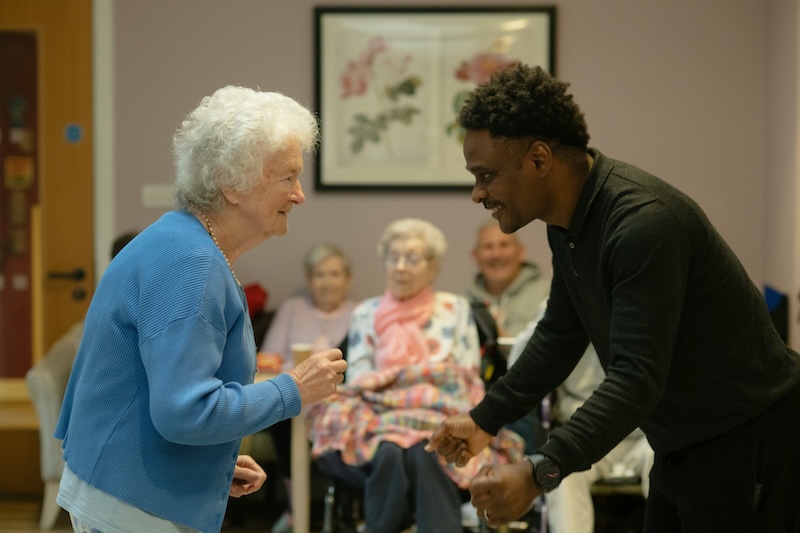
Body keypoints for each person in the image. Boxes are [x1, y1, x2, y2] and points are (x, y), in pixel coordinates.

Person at [426, 64, 800, 531]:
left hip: (746, 440)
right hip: (682, 443)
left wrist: (540, 471)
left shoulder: (643, 224)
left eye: (486, 175)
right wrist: (484, 419)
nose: (477, 192)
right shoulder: (569, 225)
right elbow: (560, 334)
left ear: (539, 160)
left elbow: (635, 380)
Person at [54, 86, 347, 533]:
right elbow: (185, 412)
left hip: (121, 483)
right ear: (232, 184)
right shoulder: (192, 263)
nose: (299, 195)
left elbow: (159, 392)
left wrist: (209, 460)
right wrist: (295, 389)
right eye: (287, 178)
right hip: (129, 501)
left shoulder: (181, 241)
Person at [307, 218, 524, 533]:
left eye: (412, 259)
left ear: (432, 267)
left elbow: (464, 376)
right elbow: (360, 381)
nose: (400, 267)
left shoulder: (455, 308)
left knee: (416, 450)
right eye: (393, 258)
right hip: (378, 412)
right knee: (401, 450)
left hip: (437, 411)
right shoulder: (366, 312)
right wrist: (408, 388)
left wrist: (411, 386)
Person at [507, 305, 654, 533]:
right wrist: (548, 319)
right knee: (561, 469)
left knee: (670, 459)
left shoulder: (646, 299)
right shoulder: (567, 301)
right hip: (583, 431)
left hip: (647, 432)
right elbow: (518, 366)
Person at [260, 242, 357, 533]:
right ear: (309, 279)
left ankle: (344, 513)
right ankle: (294, 509)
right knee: (286, 416)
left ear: (347, 279)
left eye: (334, 274)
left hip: (340, 401)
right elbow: (269, 358)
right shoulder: (293, 309)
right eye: (319, 274)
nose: (327, 282)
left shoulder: (362, 312)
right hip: (298, 399)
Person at [465, 219, 550, 338]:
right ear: (475, 255)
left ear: (521, 251)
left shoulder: (548, 295)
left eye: (504, 245)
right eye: (488, 247)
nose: (496, 254)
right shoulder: (462, 303)